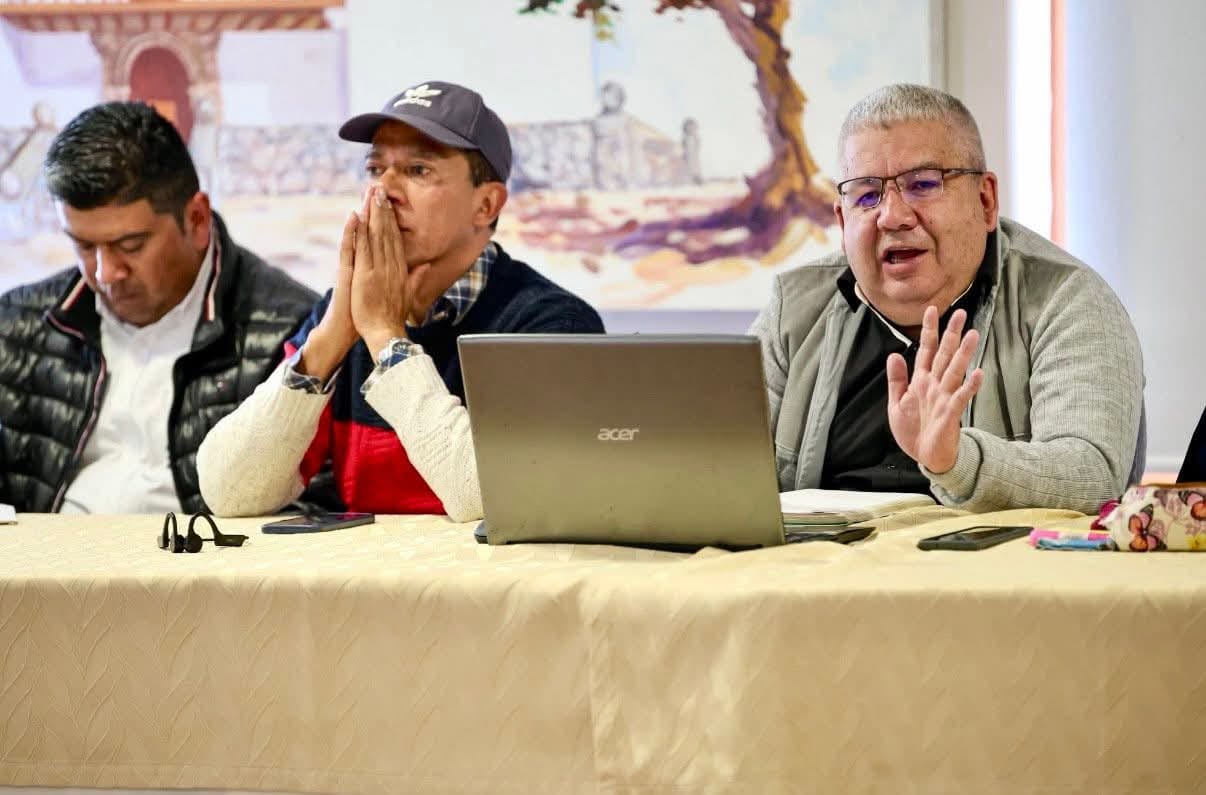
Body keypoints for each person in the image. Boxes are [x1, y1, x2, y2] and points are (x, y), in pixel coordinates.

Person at [197, 80, 604, 522]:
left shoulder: (551, 323)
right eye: (375, 169)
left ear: (486, 205)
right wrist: (332, 336)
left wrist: (387, 339)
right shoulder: (346, 316)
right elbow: (230, 493)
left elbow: (492, 498)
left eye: (417, 171)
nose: (384, 191)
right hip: (367, 586)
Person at [751, 83, 1144, 514]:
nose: (893, 217)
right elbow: (721, 464)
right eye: (867, 195)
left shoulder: (1067, 301)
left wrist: (956, 460)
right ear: (843, 222)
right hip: (820, 572)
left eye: (922, 184)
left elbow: (1093, 476)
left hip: (989, 574)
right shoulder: (795, 308)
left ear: (985, 200)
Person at [0, 101, 317, 513]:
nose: (106, 272)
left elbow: (312, 519)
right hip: (45, 572)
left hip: (202, 571)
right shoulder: (17, 327)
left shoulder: (289, 334)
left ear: (197, 219)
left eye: (130, 246)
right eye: (83, 245)